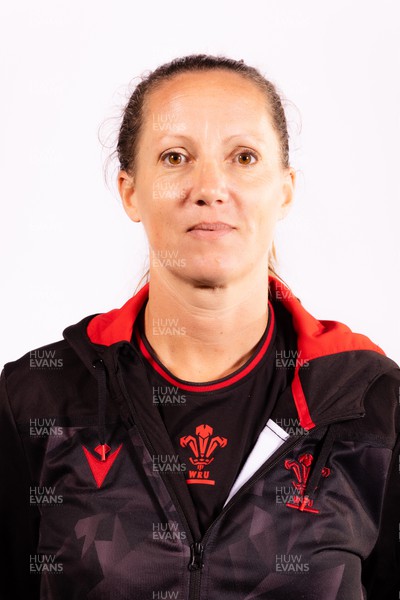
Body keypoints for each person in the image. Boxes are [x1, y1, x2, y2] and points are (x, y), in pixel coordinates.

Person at [1, 54, 399, 600]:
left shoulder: (373, 404)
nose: (210, 187)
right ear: (129, 191)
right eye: (175, 156)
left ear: (284, 189)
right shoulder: (38, 397)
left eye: (243, 156)